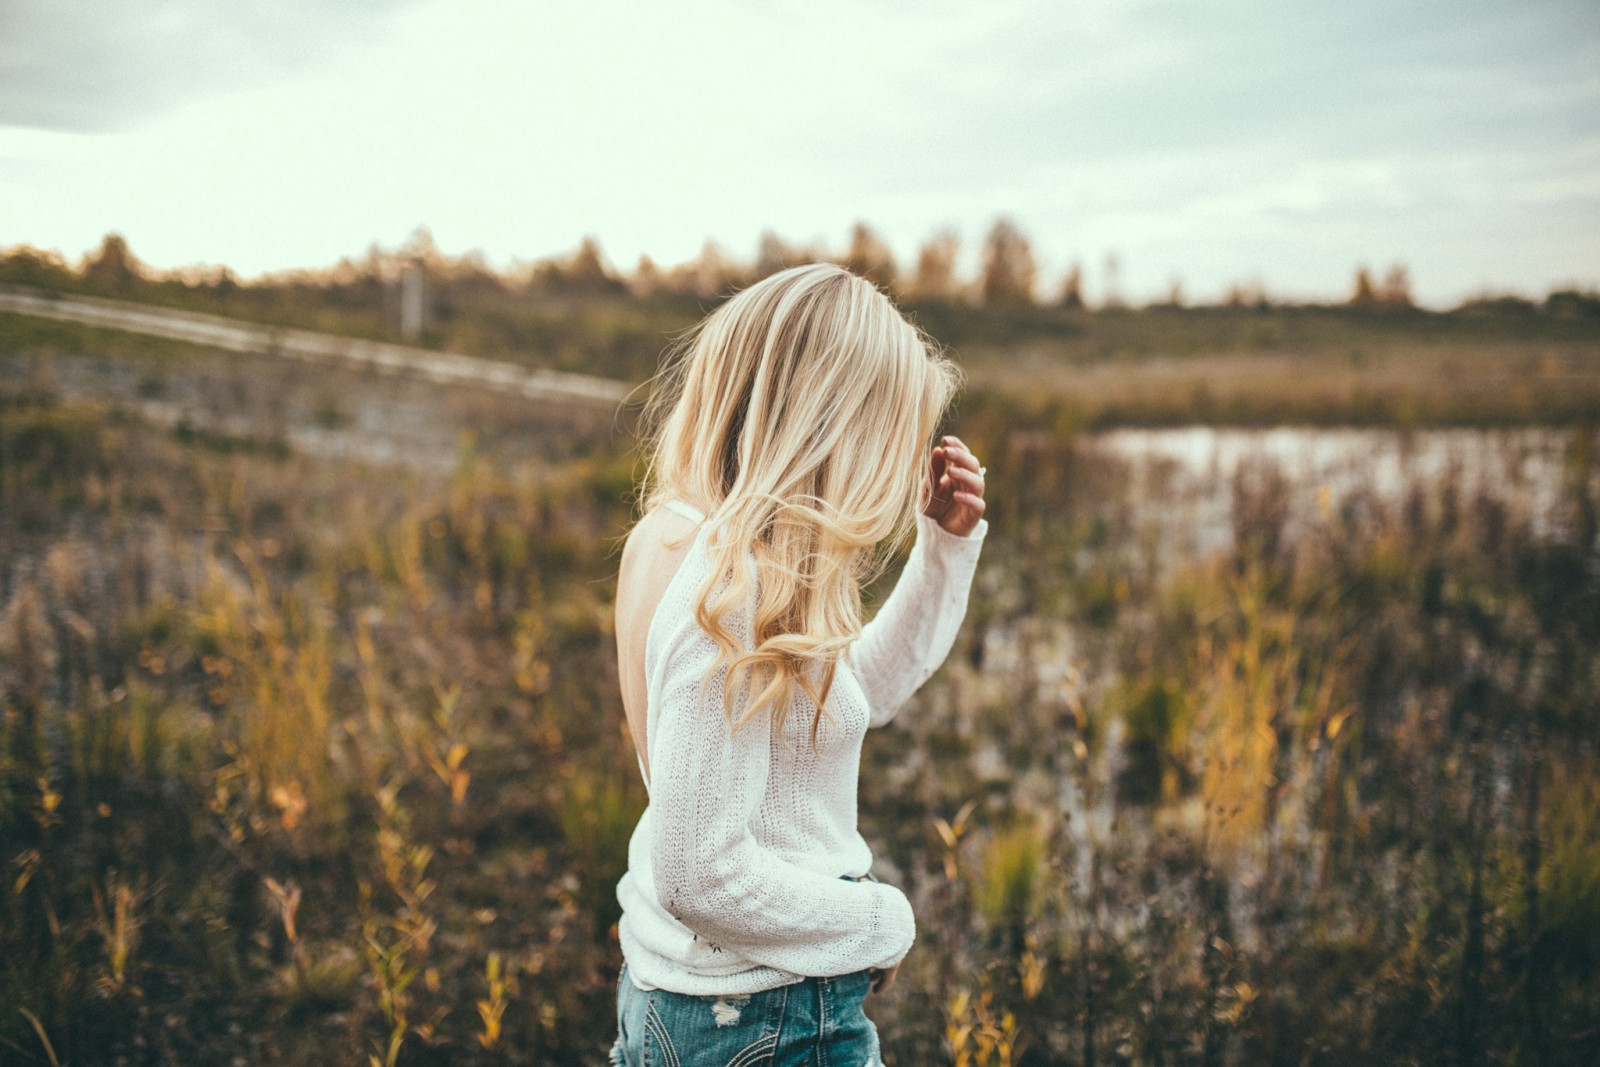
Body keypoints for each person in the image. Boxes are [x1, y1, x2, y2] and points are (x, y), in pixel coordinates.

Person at [609, 262, 988, 1065]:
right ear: (831, 430)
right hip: (768, 1014)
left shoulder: (673, 537)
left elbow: (859, 695)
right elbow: (699, 872)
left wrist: (944, 550)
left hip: (678, 1000)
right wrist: (880, 922)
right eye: (889, 438)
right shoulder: (734, 587)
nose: (894, 470)